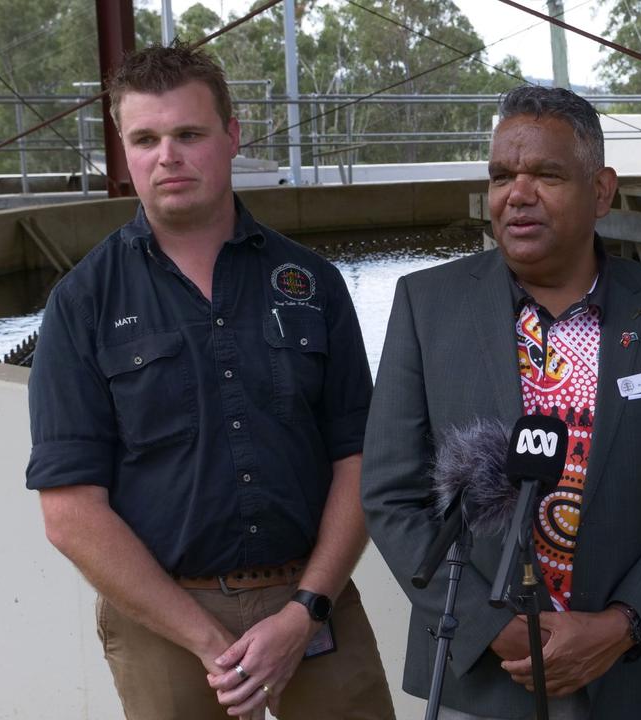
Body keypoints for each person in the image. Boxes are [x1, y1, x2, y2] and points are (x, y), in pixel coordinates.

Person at [26, 44, 394, 720]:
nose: (168, 155)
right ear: (125, 150)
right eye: (145, 138)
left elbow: (359, 458)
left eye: (189, 134)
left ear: (231, 137)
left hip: (311, 603)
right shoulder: (83, 303)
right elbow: (70, 511)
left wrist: (305, 612)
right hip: (164, 617)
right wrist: (205, 641)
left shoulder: (312, 284)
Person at [361, 85, 641, 720]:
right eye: (502, 174)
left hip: (623, 677)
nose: (518, 193)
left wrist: (621, 625)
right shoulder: (427, 305)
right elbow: (392, 495)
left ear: (602, 190)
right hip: (478, 676)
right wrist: (492, 627)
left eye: (546, 173)